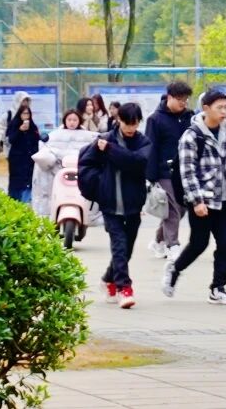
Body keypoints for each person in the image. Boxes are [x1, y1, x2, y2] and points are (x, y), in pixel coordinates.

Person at [162, 89, 226, 305]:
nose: (224, 111)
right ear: (206, 108)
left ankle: (218, 288)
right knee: (199, 243)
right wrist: (196, 201)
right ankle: (175, 269)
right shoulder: (192, 135)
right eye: (219, 107)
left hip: (224, 199)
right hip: (202, 200)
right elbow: (187, 171)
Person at [80, 102, 152, 309]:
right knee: (119, 246)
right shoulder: (104, 139)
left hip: (133, 205)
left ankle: (107, 279)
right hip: (109, 204)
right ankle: (124, 288)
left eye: (135, 123)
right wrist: (99, 183)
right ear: (118, 120)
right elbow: (86, 164)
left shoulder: (143, 142)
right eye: (127, 123)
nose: (131, 128)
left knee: (127, 249)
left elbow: (136, 162)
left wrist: (111, 150)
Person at [145, 81, 194, 260]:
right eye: (180, 99)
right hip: (164, 171)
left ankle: (158, 240)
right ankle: (173, 245)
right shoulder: (155, 119)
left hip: (185, 170)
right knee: (172, 207)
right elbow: (151, 147)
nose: (183, 103)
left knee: (181, 208)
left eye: (186, 99)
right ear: (169, 97)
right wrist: (150, 176)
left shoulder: (190, 116)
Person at [32, 109, 97, 220]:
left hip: (80, 172)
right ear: (65, 121)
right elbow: (45, 148)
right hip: (57, 172)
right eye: (69, 119)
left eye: (75, 120)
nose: (72, 122)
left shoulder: (88, 137)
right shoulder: (54, 136)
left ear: (79, 121)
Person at [5, 98, 44, 201]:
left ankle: (26, 201)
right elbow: (11, 140)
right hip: (17, 160)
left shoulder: (33, 126)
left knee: (29, 181)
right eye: (24, 113)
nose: (26, 116)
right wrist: (20, 130)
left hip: (30, 159)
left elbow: (37, 140)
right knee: (17, 182)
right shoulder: (14, 124)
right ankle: (15, 200)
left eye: (28, 114)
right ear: (19, 114)